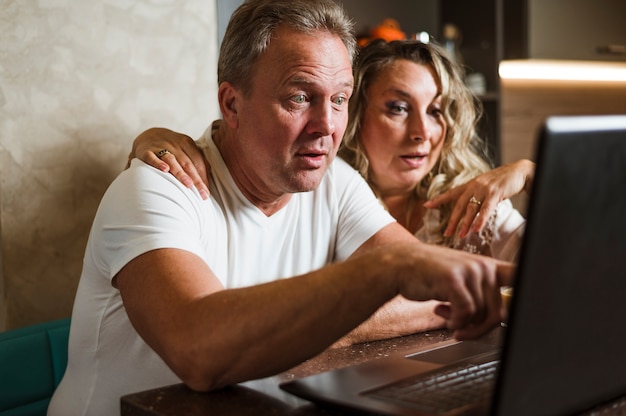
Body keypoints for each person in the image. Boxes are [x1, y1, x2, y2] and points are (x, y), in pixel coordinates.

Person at [48, 1, 512, 415]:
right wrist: (386, 270)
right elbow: (199, 352)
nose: (327, 126)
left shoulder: (337, 183)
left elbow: (433, 287)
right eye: (299, 97)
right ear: (232, 103)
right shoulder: (157, 188)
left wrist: (337, 317)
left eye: (339, 99)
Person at [131, 40, 532, 261]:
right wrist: (149, 139)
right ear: (354, 113)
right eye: (398, 108)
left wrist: (533, 174)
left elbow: (570, 274)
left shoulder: (474, 203)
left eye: (436, 111)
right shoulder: (314, 186)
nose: (422, 132)